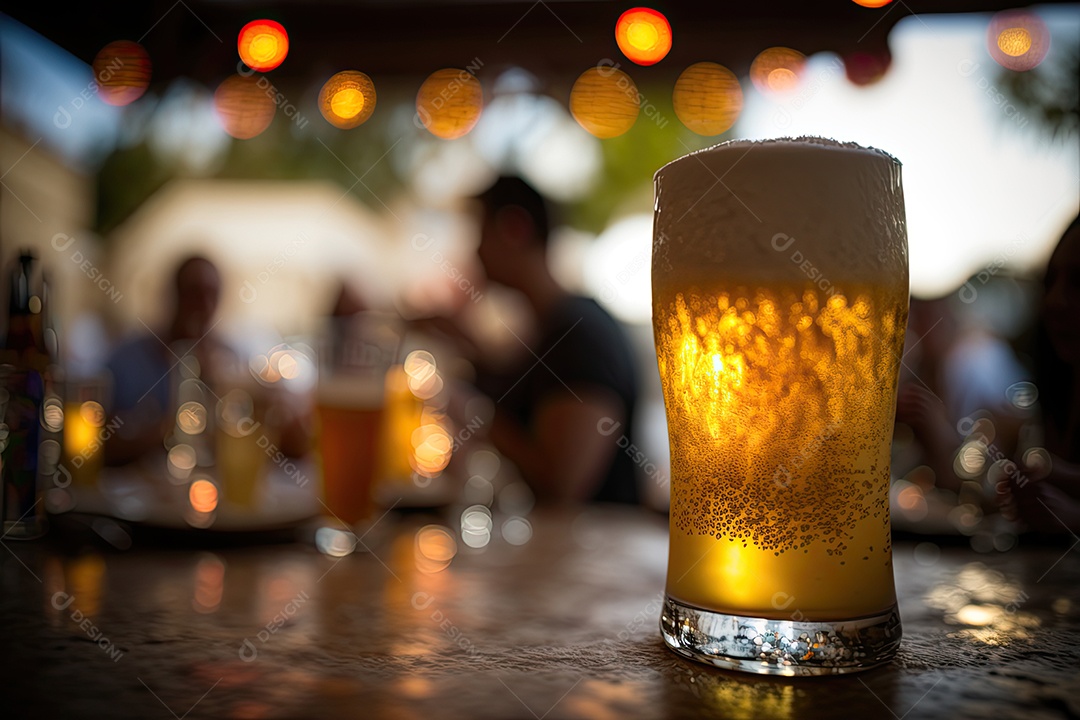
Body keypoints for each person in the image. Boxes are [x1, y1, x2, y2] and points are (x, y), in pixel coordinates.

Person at [454, 176, 641, 505]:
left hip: (595, 551)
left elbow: (561, 486)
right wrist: (464, 345)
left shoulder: (580, 334)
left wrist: (469, 408)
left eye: (481, 232)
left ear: (515, 230)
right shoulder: (553, 327)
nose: (475, 250)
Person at [999, 214, 1080, 533]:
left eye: (1079, 281)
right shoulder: (1059, 390)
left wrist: (1074, 518)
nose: (1054, 301)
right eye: (1051, 281)